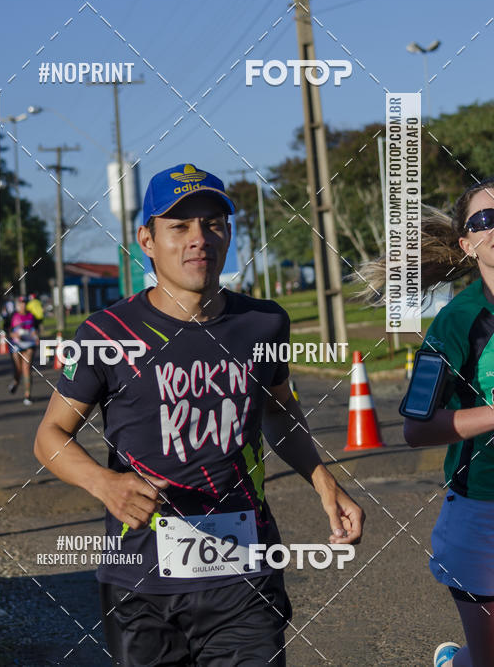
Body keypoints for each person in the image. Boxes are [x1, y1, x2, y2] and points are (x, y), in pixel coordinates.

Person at [35, 162, 365, 666]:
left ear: (229, 233)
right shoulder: (105, 332)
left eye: (213, 223)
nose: (199, 239)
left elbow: (279, 412)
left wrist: (323, 480)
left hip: (245, 575)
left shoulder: (263, 323)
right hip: (141, 581)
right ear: (147, 239)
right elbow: (50, 436)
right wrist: (105, 485)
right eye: (179, 226)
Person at [361, 179, 494, 667]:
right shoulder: (457, 323)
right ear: (467, 242)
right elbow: (417, 427)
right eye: (484, 220)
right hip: (483, 509)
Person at [9, 296, 38, 406]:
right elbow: (8, 330)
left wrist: (36, 337)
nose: (23, 305)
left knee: (27, 368)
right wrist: (13, 334)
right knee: (18, 369)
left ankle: (27, 395)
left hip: (29, 344)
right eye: (21, 303)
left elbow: (34, 329)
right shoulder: (13, 315)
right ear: (17, 304)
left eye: (25, 303)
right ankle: (16, 382)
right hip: (16, 344)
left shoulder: (31, 315)